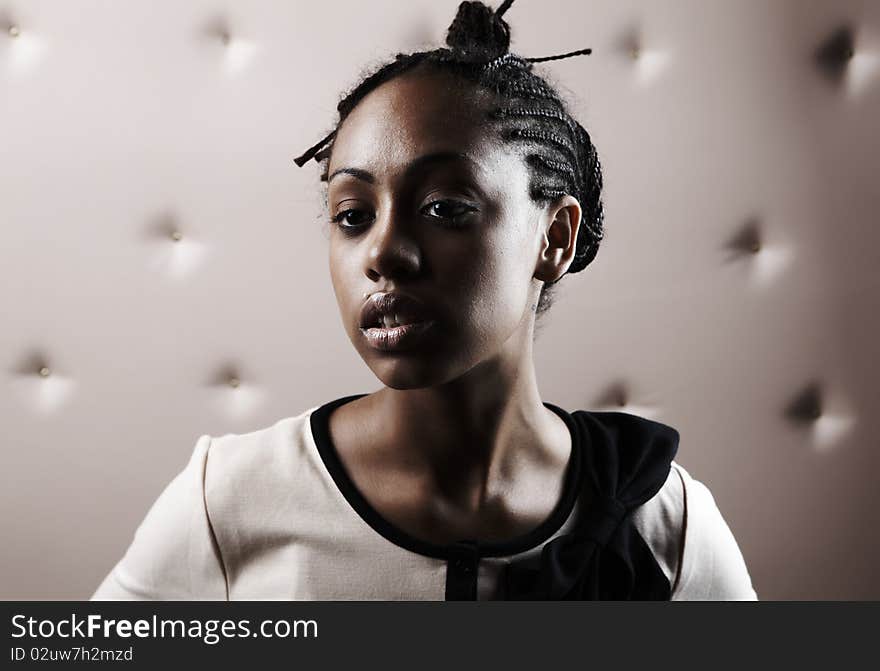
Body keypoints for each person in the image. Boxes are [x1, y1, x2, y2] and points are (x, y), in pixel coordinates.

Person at [91, 0, 757, 601]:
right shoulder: (230, 497)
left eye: (443, 207)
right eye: (352, 215)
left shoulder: (661, 520)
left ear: (554, 237)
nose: (383, 255)